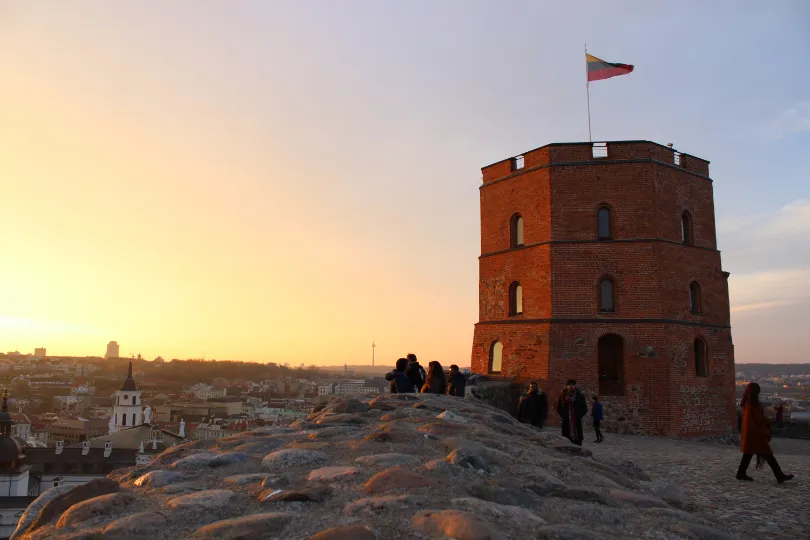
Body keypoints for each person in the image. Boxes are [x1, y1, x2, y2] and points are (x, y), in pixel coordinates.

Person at [736, 382, 793, 483]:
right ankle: (779, 476)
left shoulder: (746, 403)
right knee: (768, 455)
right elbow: (759, 419)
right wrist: (768, 420)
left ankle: (741, 473)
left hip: (749, 433)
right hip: (756, 434)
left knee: (748, 454)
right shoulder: (753, 404)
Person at [557, 379, 588, 446]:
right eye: (569, 385)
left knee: (578, 437)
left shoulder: (579, 396)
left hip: (576, 420)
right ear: (566, 386)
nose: (571, 386)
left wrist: (578, 416)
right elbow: (559, 408)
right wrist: (564, 415)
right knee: (566, 437)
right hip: (567, 420)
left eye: (573, 385)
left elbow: (585, 408)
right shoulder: (562, 396)